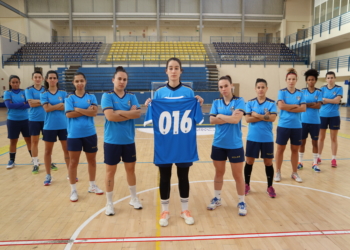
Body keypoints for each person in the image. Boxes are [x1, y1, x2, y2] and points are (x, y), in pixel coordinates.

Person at [144, 57, 204, 227]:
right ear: (166, 71)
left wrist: (198, 103)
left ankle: (185, 209)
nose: (173, 70)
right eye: (170, 68)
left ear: (181, 71)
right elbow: (152, 116)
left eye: (176, 67)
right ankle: (165, 210)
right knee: (165, 177)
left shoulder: (189, 92)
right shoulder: (159, 93)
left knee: (183, 176)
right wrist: (149, 105)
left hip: (183, 143)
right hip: (165, 144)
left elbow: (196, 116)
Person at [102, 66, 142, 215]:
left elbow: (138, 114)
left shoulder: (132, 96)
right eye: (119, 78)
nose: (122, 81)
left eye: (124, 79)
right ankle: (109, 203)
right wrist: (128, 113)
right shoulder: (107, 96)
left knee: (130, 170)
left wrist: (118, 111)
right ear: (113, 80)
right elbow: (110, 117)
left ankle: (133, 198)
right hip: (112, 141)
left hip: (128, 140)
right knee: (110, 172)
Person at [207, 75, 247, 216]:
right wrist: (228, 117)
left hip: (235, 145)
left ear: (231, 86)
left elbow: (236, 120)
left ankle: (241, 201)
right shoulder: (216, 102)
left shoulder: (239, 101)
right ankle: (217, 198)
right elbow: (211, 120)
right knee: (219, 173)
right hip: (218, 144)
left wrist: (221, 117)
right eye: (221, 86)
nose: (223, 89)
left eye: (225, 85)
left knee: (237, 175)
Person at [65, 72, 103, 202]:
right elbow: (69, 115)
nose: (79, 83)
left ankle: (92, 185)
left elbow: (94, 113)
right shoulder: (69, 98)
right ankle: (73, 190)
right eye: (77, 81)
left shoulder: (91, 97)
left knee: (92, 161)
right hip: (74, 135)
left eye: (81, 81)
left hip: (90, 133)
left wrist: (78, 109)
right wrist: (86, 110)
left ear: (85, 82)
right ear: (73, 83)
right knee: (73, 162)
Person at [244, 78, 277, 198]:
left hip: (267, 138)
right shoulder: (250, 103)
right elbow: (247, 119)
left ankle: (270, 186)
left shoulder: (271, 103)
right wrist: (264, 116)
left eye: (263, 87)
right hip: (252, 137)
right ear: (255, 89)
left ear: (266, 89)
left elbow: (273, 118)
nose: (260, 89)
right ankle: (246, 185)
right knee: (249, 161)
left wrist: (257, 115)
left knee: (268, 162)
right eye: (258, 87)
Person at [274, 68, 306, 183]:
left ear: (296, 80)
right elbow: (281, 107)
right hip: (283, 125)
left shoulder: (300, 93)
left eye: (293, 79)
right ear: (286, 80)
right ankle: (277, 172)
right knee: (280, 149)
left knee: (294, 150)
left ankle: (294, 172)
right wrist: (296, 106)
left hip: (297, 126)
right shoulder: (281, 92)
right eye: (289, 79)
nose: (291, 81)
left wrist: (289, 106)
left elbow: (303, 108)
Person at [40, 70, 69, 186]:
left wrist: (53, 106)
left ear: (57, 80)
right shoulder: (43, 94)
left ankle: (70, 173)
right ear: (46, 80)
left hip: (64, 126)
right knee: (48, 151)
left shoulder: (63, 93)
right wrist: (60, 105)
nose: (52, 80)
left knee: (67, 151)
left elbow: (66, 107)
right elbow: (46, 109)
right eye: (50, 78)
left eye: (54, 78)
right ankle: (48, 175)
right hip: (49, 126)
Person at [4, 75, 31, 169]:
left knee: (28, 140)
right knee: (13, 141)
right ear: (9, 83)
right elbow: (9, 106)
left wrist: (16, 104)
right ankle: (12, 160)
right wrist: (23, 103)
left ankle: (34, 158)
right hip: (12, 120)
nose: (15, 84)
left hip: (25, 120)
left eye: (17, 82)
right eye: (13, 82)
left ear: (19, 83)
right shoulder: (7, 93)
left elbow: (29, 105)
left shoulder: (24, 92)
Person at [298, 69, 322, 172]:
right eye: (309, 79)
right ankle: (300, 162)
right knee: (302, 142)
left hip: (315, 122)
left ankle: (315, 163)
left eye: (312, 79)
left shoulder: (319, 92)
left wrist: (307, 104)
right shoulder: (302, 92)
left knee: (315, 143)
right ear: (306, 81)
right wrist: (312, 103)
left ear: (315, 80)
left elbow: (318, 106)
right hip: (303, 121)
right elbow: (301, 105)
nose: (311, 81)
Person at [318, 71, 343, 167]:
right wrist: (331, 100)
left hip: (334, 116)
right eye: (328, 78)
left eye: (332, 77)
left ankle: (333, 159)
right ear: (326, 79)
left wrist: (326, 100)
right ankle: (319, 157)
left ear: (335, 78)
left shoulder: (339, 88)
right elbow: (320, 101)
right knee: (321, 138)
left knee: (333, 138)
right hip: (322, 115)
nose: (330, 79)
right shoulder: (322, 89)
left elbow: (337, 101)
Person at [25, 71, 46, 174]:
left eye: (39, 77)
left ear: (42, 79)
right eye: (35, 77)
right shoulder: (28, 90)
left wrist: (36, 101)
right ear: (32, 78)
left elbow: (49, 102)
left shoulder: (46, 90)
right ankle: (35, 163)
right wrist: (43, 101)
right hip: (33, 119)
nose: (37, 79)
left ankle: (48, 160)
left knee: (48, 142)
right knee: (34, 142)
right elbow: (30, 104)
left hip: (46, 119)